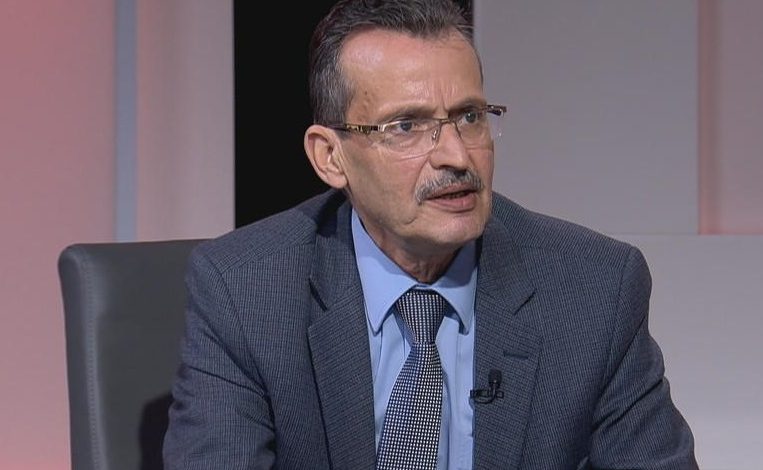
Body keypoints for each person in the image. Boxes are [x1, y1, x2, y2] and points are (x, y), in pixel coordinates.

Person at [163, 0, 699, 468]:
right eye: (406, 126)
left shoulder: (595, 289)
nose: (457, 156)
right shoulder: (245, 291)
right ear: (330, 157)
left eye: (469, 117)